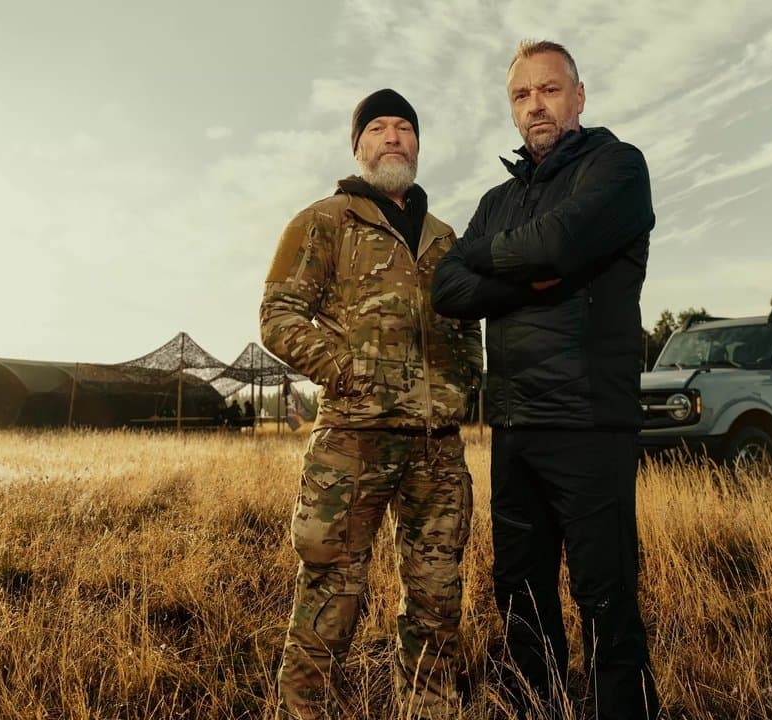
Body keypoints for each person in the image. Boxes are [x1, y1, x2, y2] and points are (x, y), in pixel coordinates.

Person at [432, 40, 661, 719]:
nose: (536, 105)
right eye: (521, 95)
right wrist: (530, 275)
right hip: (513, 425)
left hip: (588, 420)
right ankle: (537, 707)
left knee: (605, 599)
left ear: (579, 96)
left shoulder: (618, 168)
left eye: (550, 89)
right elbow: (447, 286)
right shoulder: (497, 200)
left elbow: (559, 244)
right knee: (519, 594)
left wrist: (492, 260)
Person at [261, 88, 483, 719]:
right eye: (377, 128)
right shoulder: (324, 221)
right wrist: (345, 371)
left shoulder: (445, 238)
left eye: (404, 128)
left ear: (417, 145)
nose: (392, 137)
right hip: (352, 442)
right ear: (358, 146)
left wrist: (463, 382)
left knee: (438, 597)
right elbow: (278, 315)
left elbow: (467, 323)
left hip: (436, 448)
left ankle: (431, 708)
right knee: (332, 591)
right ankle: (305, 710)